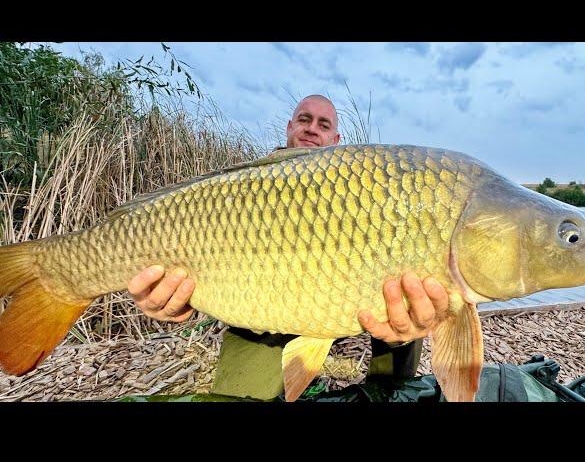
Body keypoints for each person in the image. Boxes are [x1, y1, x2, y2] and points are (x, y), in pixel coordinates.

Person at [127, 95, 450, 400]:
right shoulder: (250, 186)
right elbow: (214, 261)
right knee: (241, 393)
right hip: (269, 311)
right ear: (289, 128)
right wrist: (176, 300)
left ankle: (391, 390)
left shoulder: (361, 186)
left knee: (412, 303)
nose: (312, 128)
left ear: (336, 141)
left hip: (350, 300)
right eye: (304, 120)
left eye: (324, 125)